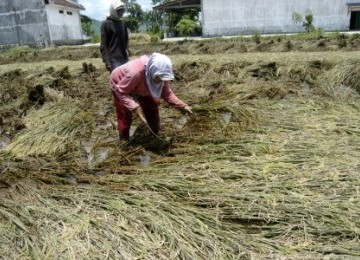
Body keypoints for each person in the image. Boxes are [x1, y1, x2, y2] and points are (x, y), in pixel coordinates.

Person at [109, 52, 193, 141]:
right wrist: (134, 107)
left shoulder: (161, 74)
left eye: (162, 78)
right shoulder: (136, 73)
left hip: (141, 84)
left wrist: (183, 106)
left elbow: (167, 94)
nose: (160, 81)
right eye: (158, 78)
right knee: (125, 114)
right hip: (121, 83)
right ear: (152, 70)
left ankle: (154, 134)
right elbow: (121, 91)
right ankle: (124, 141)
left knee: (152, 106)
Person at [100, 0, 130, 72]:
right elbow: (103, 45)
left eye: (122, 11)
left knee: (127, 80)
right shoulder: (106, 24)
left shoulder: (122, 24)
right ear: (113, 10)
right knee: (117, 81)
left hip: (124, 58)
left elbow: (126, 39)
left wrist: (127, 49)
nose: (121, 13)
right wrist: (107, 62)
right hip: (114, 60)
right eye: (119, 11)